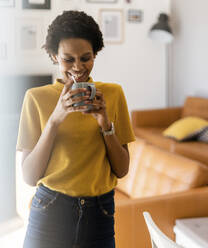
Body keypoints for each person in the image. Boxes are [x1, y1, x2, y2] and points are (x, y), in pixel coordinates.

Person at [16, 10, 135, 248]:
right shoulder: (36, 98)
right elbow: (30, 177)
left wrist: (105, 124)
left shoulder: (113, 94)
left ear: (95, 55)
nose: (78, 67)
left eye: (86, 57)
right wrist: (55, 119)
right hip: (51, 209)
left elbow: (121, 170)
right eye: (68, 59)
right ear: (54, 56)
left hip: (100, 212)